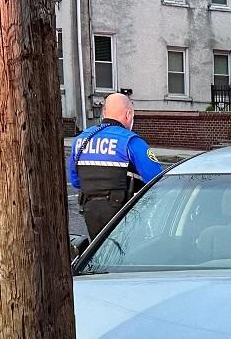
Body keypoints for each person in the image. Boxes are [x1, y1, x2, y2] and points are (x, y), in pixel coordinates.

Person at [68, 93, 164, 239]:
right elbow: (157, 179)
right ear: (128, 114)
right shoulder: (130, 141)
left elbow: (75, 181)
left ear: (104, 113)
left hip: (90, 213)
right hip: (124, 218)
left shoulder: (80, 140)